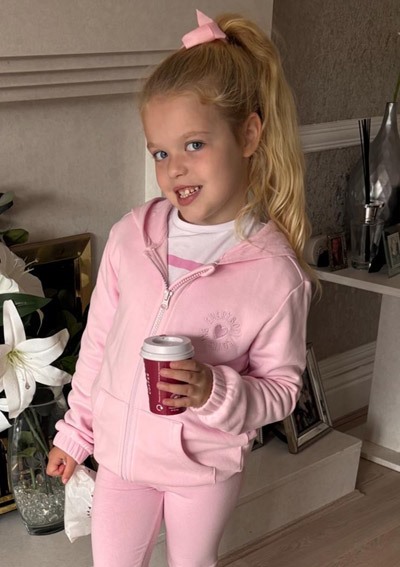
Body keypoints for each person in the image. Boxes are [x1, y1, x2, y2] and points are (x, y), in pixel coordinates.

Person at [47, 10, 313, 567]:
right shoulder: (130, 237)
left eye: (194, 144)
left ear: (248, 134)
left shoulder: (273, 273)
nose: (174, 170)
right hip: (122, 463)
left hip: (202, 470)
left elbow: (283, 390)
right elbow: (99, 347)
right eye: (161, 153)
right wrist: (76, 434)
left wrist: (214, 389)